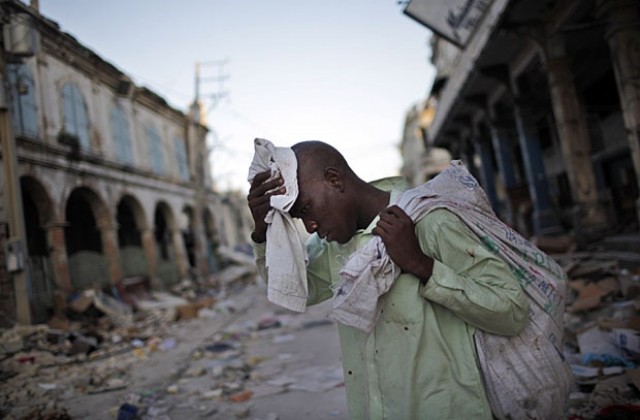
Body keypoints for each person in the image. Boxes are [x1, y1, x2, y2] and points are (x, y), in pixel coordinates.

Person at [248, 140, 533, 419]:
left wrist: (421, 265)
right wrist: (263, 232)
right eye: (298, 218)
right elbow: (296, 289)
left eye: (306, 209)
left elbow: (512, 310)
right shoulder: (333, 245)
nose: (309, 226)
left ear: (334, 179)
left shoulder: (430, 221)